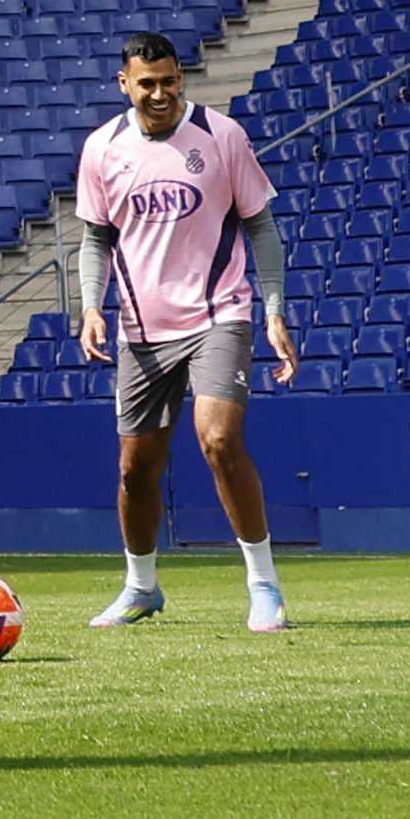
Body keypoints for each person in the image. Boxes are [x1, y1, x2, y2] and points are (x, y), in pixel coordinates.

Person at [71, 31, 297, 634]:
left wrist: (274, 309)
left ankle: (264, 585)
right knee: (135, 469)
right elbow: (95, 238)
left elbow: (262, 227)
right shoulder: (102, 149)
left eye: (169, 81)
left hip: (218, 313)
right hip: (142, 329)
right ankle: (141, 587)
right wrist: (91, 307)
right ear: (125, 84)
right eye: (147, 83)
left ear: (181, 78)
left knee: (218, 439)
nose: (160, 93)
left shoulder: (222, 137)